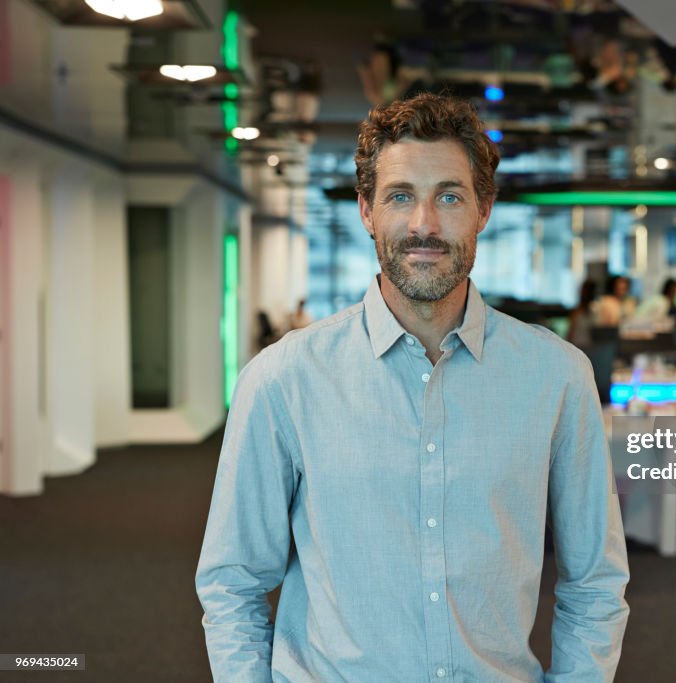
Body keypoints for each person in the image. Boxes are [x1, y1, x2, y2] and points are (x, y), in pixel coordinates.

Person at [196, 93, 629, 682]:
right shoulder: (283, 380)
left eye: (449, 196)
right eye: (400, 197)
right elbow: (234, 585)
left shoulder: (556, 377)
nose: (424, 224)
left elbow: (595, 583)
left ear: (483, 210)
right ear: (367, 212)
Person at [567, 278, 597, 348]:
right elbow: (570, 334)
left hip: (590, 349)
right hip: (578, 348)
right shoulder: (577, 312)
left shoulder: (594, 311)